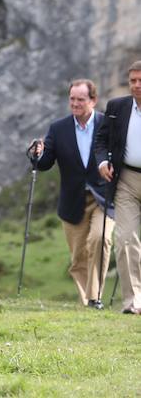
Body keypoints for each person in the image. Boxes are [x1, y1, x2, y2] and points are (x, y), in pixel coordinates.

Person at [30, 79, 113, 308]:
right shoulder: (58, 128)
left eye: (81, 99)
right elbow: (44, 163)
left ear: (93, 100)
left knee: (100, 238)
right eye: (72, 99)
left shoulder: (107, 124)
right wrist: (37, 154)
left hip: (103, 197)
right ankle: (88, 301)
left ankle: (94, 298)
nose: (75, 104)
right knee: (78, 258)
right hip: (72, 199)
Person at [95, 60, 141, 315]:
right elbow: (101, 140)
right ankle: (133, 301)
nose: (136, 85)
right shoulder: (117, 107)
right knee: (125, 239)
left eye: (140, 80)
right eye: (132, 80)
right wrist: (102, 161)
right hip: (126, 181)